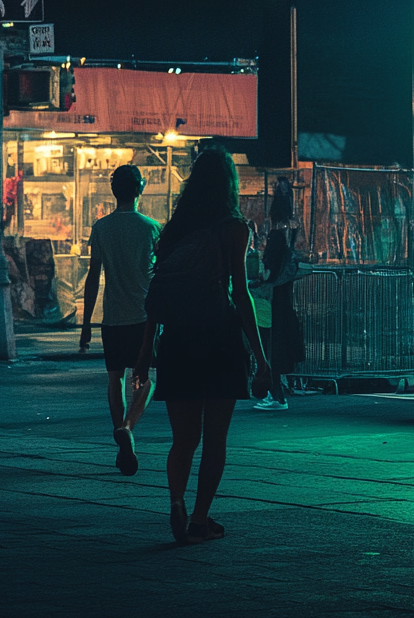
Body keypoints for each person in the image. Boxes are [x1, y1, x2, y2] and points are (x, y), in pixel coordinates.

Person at [135, 148, 271, 544]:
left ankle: (176, 501)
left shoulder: (175, 229)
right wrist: (261, 358)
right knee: (215, 438)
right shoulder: (234, 228)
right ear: (230, 183)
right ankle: (199, 518)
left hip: (177, 340)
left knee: (184, 438)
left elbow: (156, 297)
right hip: (219, 339)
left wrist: (146, 350)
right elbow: (241, 295)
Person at [79, 165, 160, 476]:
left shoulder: (101, 228)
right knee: (145, 379)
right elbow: (162, 276)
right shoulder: (152, 228)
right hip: (144, 319)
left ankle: (121, 441)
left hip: (112, 319)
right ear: (139, 189)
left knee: (115, 380)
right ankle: (128, 427)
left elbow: (93, 277)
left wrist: (86, 323)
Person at [257, 177, 304, 409]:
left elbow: (267, 270)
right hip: (285, 295)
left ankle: (276, 395)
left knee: (271, 345)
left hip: (272, 297)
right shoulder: (292, 231)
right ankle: (278, 392)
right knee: (279, 344)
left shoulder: (276, 236)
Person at [245, 223, 285, 410]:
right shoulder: (279, 264)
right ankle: (275, 393)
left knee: (265, 353)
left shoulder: (267, 264)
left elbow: (262, 281)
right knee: (269, 353)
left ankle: (275, 395)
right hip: (266, 312)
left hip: (261, 312)